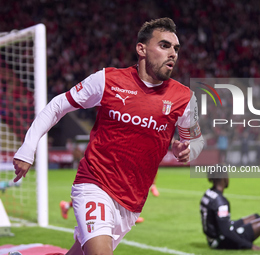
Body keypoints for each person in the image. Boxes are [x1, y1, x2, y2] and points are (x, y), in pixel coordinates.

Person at [12, 17, 204, 255]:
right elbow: (58, 105)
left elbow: (194, 140)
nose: (173, 53)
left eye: (176, 48)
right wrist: (27, 148)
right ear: (141, 49)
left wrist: (186, 149)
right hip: (94, 184)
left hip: (132, 201)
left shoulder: (184, 98)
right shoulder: (108, 80)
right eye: (164, 45)